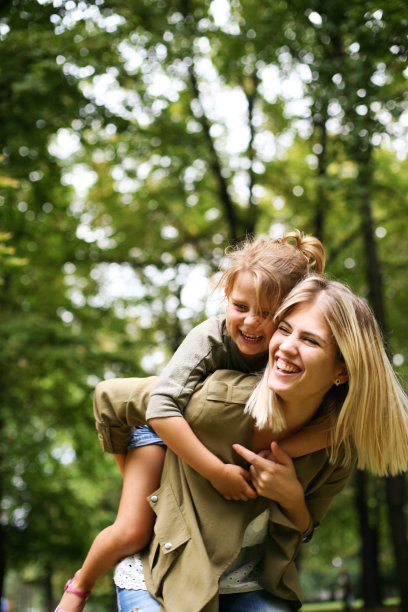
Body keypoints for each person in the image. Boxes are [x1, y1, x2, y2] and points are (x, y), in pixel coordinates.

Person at [99, 275, 407, 611]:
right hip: (164, 577)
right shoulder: (216, 399)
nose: (286, 346)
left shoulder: (337, 450)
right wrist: (145, 494)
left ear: (342, 372)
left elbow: (305, 527)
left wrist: (290, 496)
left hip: (252, 587)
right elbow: (111, 398)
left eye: (311, 341)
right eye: (285, 329)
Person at [55, 232, 327, 612]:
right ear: (226, 299)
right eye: (240, 306)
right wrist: (216, 472)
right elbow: (161, 407)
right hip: (162, 429)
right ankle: (79, 587)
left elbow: (335, 424)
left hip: (210, 434)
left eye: (268, 313)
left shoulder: (288, 355)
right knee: (134, 529)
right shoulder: (212, 337)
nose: (251, 322)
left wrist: (276, 454)